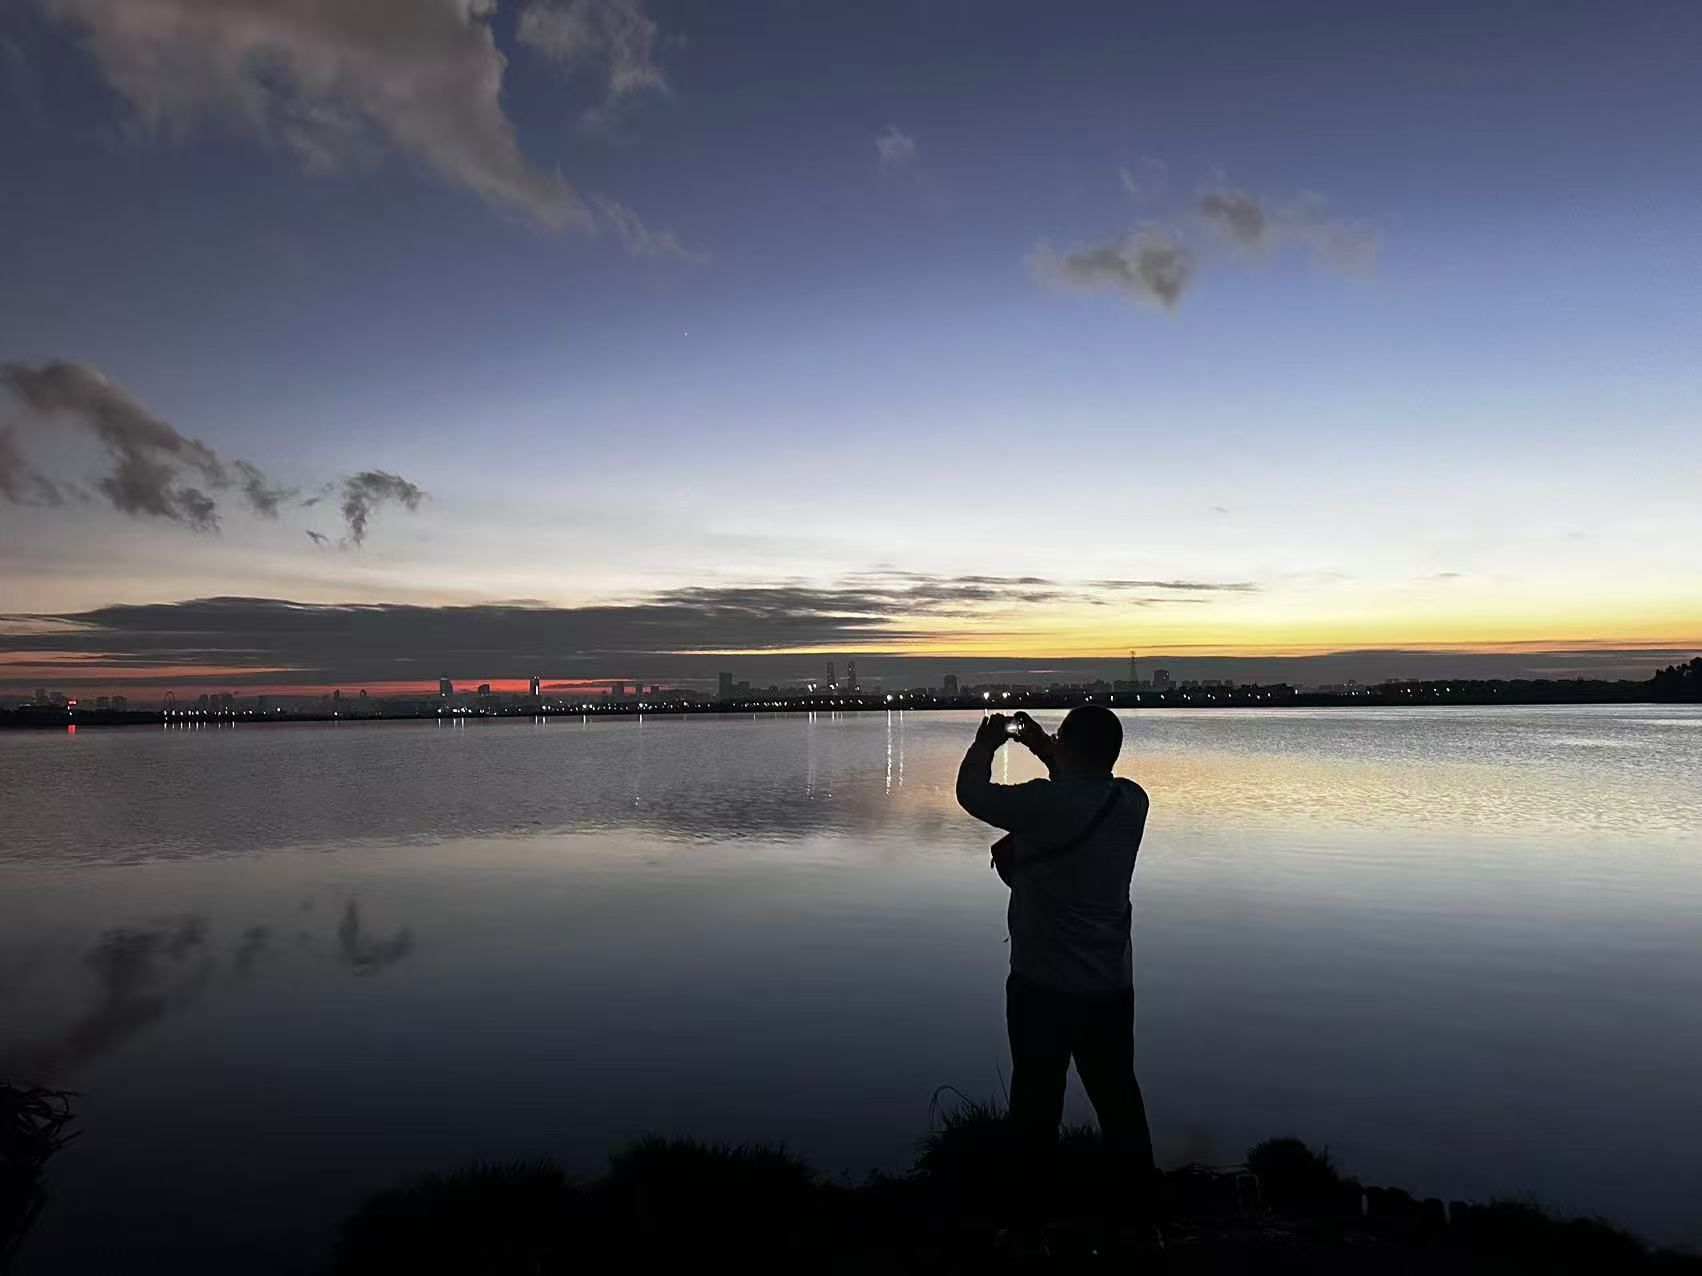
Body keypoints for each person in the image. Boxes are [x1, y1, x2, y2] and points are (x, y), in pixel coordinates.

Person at [956, 704, 1156, 1213]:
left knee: (1035, 1107)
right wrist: (1042, 741)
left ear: (1068, 746)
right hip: (1111, 987)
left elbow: (971, 794)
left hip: (1042, 985)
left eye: (1062, 739)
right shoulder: (1132, 801)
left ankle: (1028, 1229)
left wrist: (988, 743)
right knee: (1119, 1102)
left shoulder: (1044, 804)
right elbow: (1079, 780)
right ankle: (1138, 1220)